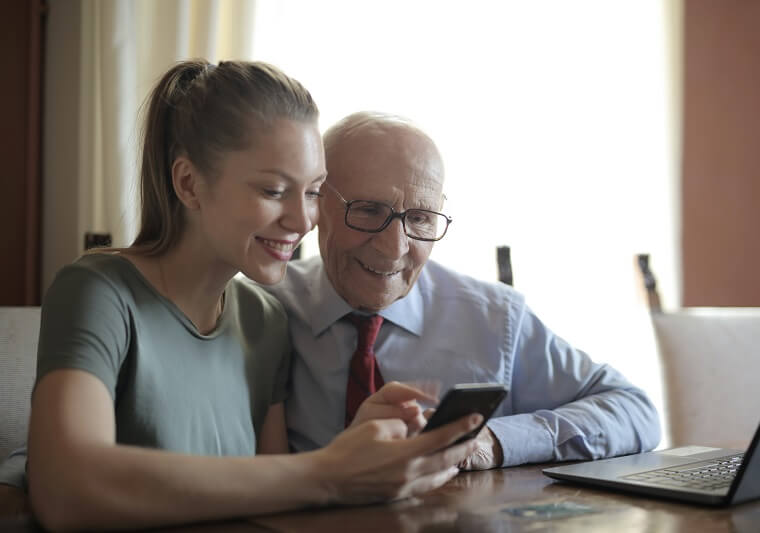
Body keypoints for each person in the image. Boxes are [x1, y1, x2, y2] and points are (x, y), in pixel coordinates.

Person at [2, 62, 483, 530]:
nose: (303, 220)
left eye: (314, 191)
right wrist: (332, 471)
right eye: (274, 190)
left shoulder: (264, 319)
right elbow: (65, 490)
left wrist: (356, 451)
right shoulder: (99, 291)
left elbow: (272, 501)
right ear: (188, 183)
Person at [266, 111, 662, 470]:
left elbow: (635, 411)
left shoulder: (494, 319)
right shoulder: (261, 311)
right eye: (369, 211)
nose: (395, 248)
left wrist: (495, 441)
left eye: (420, 218)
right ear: (315, 204)